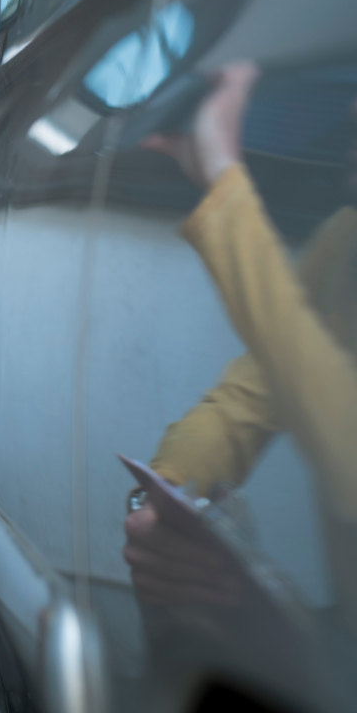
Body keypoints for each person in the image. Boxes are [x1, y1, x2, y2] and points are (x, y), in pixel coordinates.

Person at [123, 62, 357, 638]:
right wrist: (164, 496)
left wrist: (225, 182)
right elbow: (246, 401)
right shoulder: (347, 243)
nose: (352, 112)